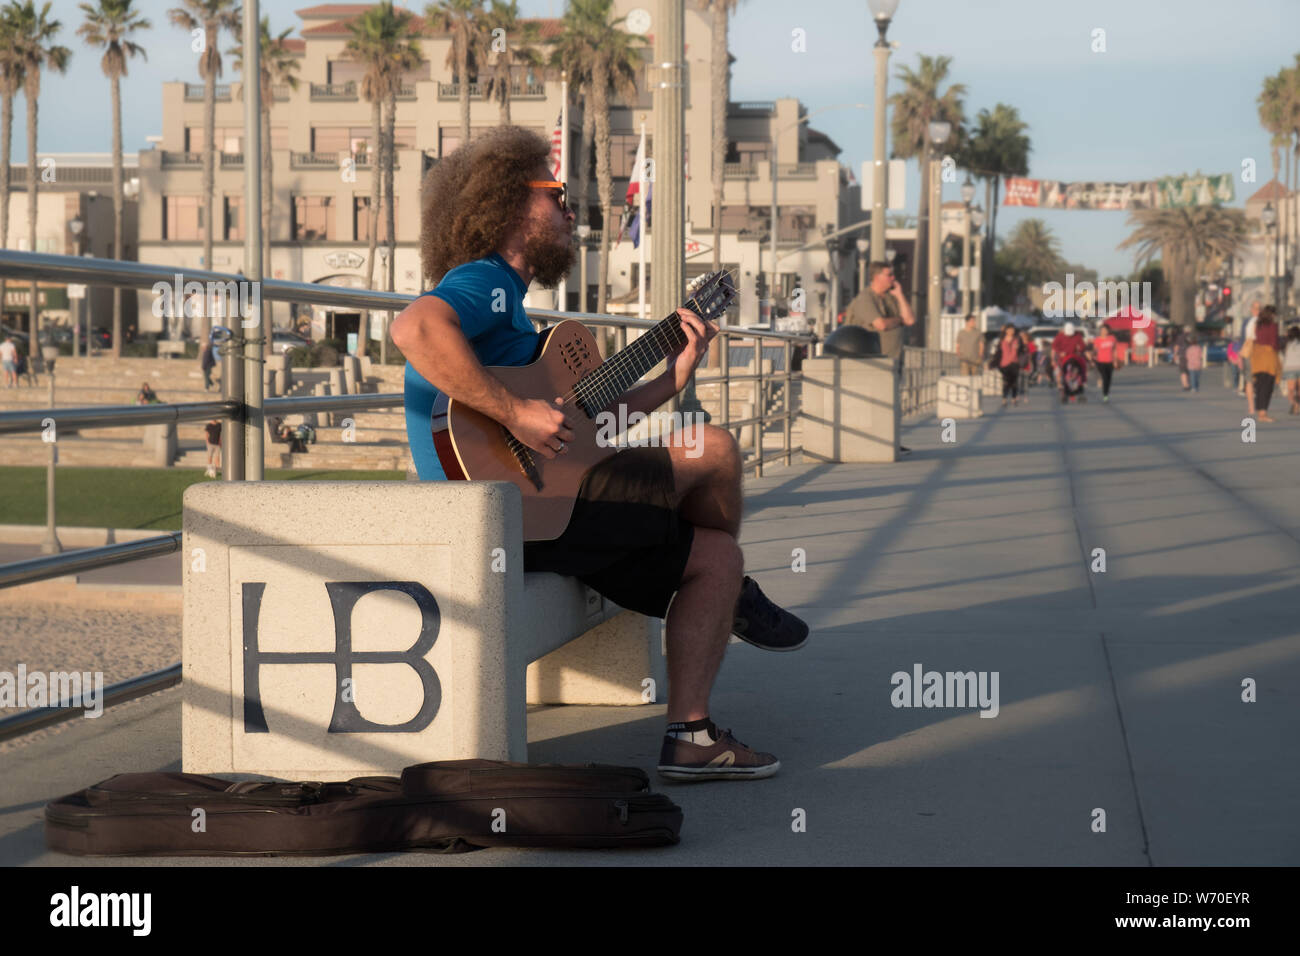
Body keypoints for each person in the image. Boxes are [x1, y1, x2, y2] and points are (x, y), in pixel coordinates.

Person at [391, 126, 808, 782]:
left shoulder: (520, 320)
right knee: (717, 448)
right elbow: (413, 327)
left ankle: (692, 735)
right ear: (508, 205)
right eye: (553, 195)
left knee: (716, 558)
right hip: (509, 510)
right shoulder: (485, 282)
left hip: (549, 511)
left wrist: (672, 376)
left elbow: (586, 426)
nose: (568, 210)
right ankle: (739, 598)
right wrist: (516, 412)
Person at [844, 262, 918, 454]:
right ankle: (872, 443)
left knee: (891, 403)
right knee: (875, 404)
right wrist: (899, 320)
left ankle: (890, 441)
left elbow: (910, 319)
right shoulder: (865, 299)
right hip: (872, 362)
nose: (894, 278)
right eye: (889, 275)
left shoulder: (891, 298)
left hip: (893, 360)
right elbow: (881, 324)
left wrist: (900, 295)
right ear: (876, 277)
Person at [1248, 305, 1282, 423]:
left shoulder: (1258, 325)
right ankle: (1263, 414)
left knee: (1259, 386)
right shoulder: (1273, 326)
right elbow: (1274, 343)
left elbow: (1254, 339)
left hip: (1257, 358)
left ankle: (1260, 412)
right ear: (1271, 314)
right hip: (1268, 358)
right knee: (1267, 387)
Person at [1051, 321, 1088, 403]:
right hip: (1064, 359)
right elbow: (1054, 347)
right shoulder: (1060, 336)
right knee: (1065, 375)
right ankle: (1066, 392)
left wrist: (1080, 349)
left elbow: (1083, 346)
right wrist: (1059, 353)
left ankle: (1082, 383)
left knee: (1081, 368)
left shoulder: (1077, 335)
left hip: (1075, 357)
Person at [989, 323, 1024, 406]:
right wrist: (993, 363)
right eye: (1009, 329)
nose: (1011, 331)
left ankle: (1014, 398)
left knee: (1014, 382)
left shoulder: (1017, 339)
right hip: (1004, 364)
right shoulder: (1002, 340)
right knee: (1006, 382)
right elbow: (998, 352)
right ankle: (1004, 399)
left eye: (1012, 329)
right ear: (1006, 331)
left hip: (1015, 363)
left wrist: (1019, 348)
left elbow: (1022, 350)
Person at [1092, 323, 1118, 401]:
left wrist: (1115, 361)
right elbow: (1095, 350)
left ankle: (1106, 390)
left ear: (1108, 331)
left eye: (1105, 330)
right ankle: (1105, 394)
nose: (1103, 331)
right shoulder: (1097, 340)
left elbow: (1115, 350)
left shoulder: (1112, 338)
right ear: (1100, 331)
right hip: (1101, 362)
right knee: (1105, 378)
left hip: (1110, 361)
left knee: (1109, 379)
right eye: (1102, 330)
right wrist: (1093, 358)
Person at [1281, 324, 1300, 415]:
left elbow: (1282, 352)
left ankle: (1295, 404)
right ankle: (1298, 405)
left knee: (1291, 389)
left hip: (1289, 368)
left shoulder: (1286, 343)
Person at [1184, 328, 1203, 392]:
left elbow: (1187, 356)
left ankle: (1193, 387)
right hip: (1198, 364)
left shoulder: (1189, 349)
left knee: (1192, 376)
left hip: (1191, 364)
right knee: (1197, 377)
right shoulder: (1199, 348)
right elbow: (1201, 356)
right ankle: (1196, 386)